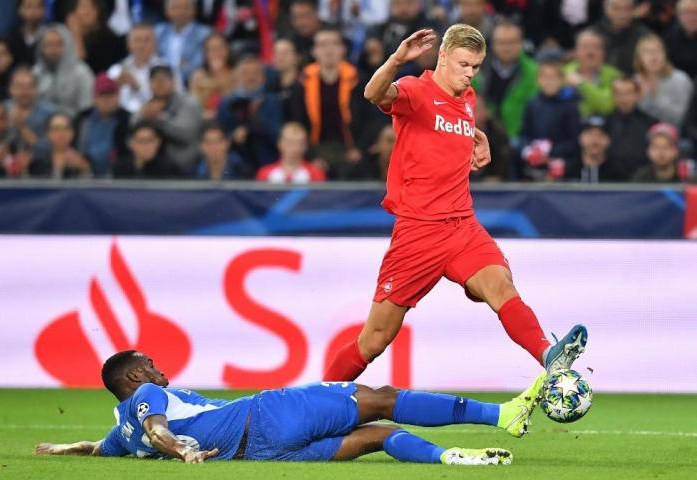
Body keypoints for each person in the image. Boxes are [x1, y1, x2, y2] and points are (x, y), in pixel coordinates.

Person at [323, 25, 588, 383]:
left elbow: (450, 130)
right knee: (374, 340)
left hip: (462, 225)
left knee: (501, 286)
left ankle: (548, 355)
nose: (469, 73)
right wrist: (399, 59)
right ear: (443, 56)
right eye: (464, 64)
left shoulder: (468, 99)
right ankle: (312, 404)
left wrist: (479, 139)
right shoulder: (417, 91)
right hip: (418, 231)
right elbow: (374, 93)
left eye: (476, 66)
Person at [35, 350, 546, 465]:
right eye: (149, 364)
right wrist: (180, 452)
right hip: (267, 415)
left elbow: (103, 448)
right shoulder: (145, 400)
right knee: (379, 400)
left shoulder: (119, 429)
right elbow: (158, 430)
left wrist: (63, 447)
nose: (159, 369)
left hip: (263, 454)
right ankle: (501, 416)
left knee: (378, 436)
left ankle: (448, 459)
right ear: (133, 378)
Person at [290, 27, 360, 179]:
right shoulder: (303, 82)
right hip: (314, 147)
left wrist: (359, 149)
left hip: (350, 148)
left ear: (343, 49)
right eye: (322, 45)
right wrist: (311, 156)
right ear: (314, 51)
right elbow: (298, 121)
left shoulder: (357, 80)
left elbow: (367, 120)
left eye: (334, 44)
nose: (329, 50)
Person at [217, 56, 283, 177]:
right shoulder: (227, 103)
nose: (250, 77)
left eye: (255, 73)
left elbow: (278, 135)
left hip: (267, 158)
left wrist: (255, 120)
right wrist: (233, 137)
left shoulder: (273, 101)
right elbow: (220, 133)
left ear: (263, 78)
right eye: (245, 73)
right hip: (237, 163)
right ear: (237, 77)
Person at [472, 21, 539, 142]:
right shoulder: (476, 69)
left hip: (520, 136)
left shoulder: (533, 72)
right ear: (492, 44)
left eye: (512, 42)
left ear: (521, 43)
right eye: (501, 43)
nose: (506, 48)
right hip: (483, 134)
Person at [133, 65, 203, 176]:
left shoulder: (188, 103)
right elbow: (132, 129)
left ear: (173, 82)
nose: (160, 84)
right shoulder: (147, 106)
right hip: (151, 168)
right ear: (149, 84)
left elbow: (186, 134)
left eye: (164, 80)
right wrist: (144, 117)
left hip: (185, 169)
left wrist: (159, 118)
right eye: (155, 80)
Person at [519, 60, 582, 181]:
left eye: (554, 77)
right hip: (535, 164)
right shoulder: (532, 104)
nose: (550, 82)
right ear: (538, 80)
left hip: (562, 165)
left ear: (562, 81)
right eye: (546, 77)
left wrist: (550, 151)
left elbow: (575, 141)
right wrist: (529, 151)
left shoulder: (570, 106)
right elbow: (524, 135)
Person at [32, 24, 95, 117]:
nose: (53, 50)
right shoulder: (36, 72)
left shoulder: (81, 72)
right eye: (48, 45)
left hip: (74, 123)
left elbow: (87, 107)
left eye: (59, 44)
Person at [75, 73, 131, 177]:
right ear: (94, 98)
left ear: (118, 97)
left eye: (111, 95)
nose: (107, 100)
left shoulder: (127, 119)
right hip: (84, 176)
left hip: (118, 178)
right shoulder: (82, 119)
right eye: (102, 95)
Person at [633, 34, 694, 129]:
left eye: (657, 51)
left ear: (665, 55)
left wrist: (653, 99)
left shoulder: (680, 79)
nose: (653, 56)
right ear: (639, 58)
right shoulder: (635, 81)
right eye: (647, 52)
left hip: (676, 133)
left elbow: (683, 118)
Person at [605, 77, 658, 180]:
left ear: (638, 95)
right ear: (613, 96)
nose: (624, 98)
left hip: (644, 180)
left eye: (628, 93)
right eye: (619, 94)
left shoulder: (651, 124)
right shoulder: (605, 124)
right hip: (610, 180)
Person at [107, 23, 164, 114]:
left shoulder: (165, 70)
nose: (141, 45)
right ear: (128, 44)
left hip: (153, 119)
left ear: (155, 44)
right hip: (120, 120)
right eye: (137, 40)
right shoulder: (116, 70)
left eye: (146, 40)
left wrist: (137, 87)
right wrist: (114, 86)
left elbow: (168, 103)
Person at [563, 28, 621, 118]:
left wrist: (581, 84)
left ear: (603, 52)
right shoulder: (562, 73)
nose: (590, 52)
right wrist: (596, 99)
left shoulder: (615, 76)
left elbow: (606, 106)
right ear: (575, 51)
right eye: (585, 47)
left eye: (596, 47)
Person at [154, 0, 211, 86]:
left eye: (185, 7)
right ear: (167, 11)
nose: (180, 12)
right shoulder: (158, 31)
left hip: (190, 84)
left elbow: (199, 64)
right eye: (175, 7)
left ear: (194, 11)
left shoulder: (205, 34)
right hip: (160, 82)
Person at [65, 0, 127, 74]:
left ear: (98, 10)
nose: (87, 12)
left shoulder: (109, 39)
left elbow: (84, 72)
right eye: (83, 7)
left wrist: (77, 36)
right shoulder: (66, 38)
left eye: (91, 7)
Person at [593, 0, 651, 76]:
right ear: (606, 9)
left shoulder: (644, 37)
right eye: (616, 8)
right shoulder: (593, 35)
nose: (622, 14)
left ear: (633, 11)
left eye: (627, 9)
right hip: (598, 84)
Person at [256, 122, 326, 183]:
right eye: (289, 142)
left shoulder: (316, 173)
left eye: (299, 143)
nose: (294, 148)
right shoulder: (265, 173)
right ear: (280, 144)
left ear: (305, 146)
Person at [30, 112, 92, 179]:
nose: (61, 133)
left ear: (73, 133)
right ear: (48, 133)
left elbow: (92, 185)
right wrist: (58, 170)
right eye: (56, 129)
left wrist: (85, 169)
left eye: (66, 128)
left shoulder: (84, 158)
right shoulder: (37, 159)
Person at [189, 33, 236, 119]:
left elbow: (235, 102)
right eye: (212, 49)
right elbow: (195, 105)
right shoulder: (198, 76)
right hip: (206, 120)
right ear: (205, 54)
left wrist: (221, 75)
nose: (217, 53)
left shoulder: (236, 73)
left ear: (228, 50)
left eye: (220, 48)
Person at [113, 120, 180, 179]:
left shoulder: (171, 170)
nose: (146, 145)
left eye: (150, 140)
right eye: (141, 141)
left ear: (158, 142)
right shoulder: (119, 169)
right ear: (131, 143)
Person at [578, 115, 618, 183]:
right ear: (581, 138)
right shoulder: (568, 172)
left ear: (609, 140)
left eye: (601, 135)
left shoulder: (617, 174)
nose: (595, 141)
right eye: (590, 134)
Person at [663, 0, 697, 79]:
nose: (691, 17)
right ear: (678, 15)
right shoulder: (669, 37)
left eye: (695, 12)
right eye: (686, 13)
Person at [7, 0, 46, 67]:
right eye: (29, 7)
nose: (34, 11)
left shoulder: (48, 34)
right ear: (19, 10)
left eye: (38, 6)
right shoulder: (12, 35)